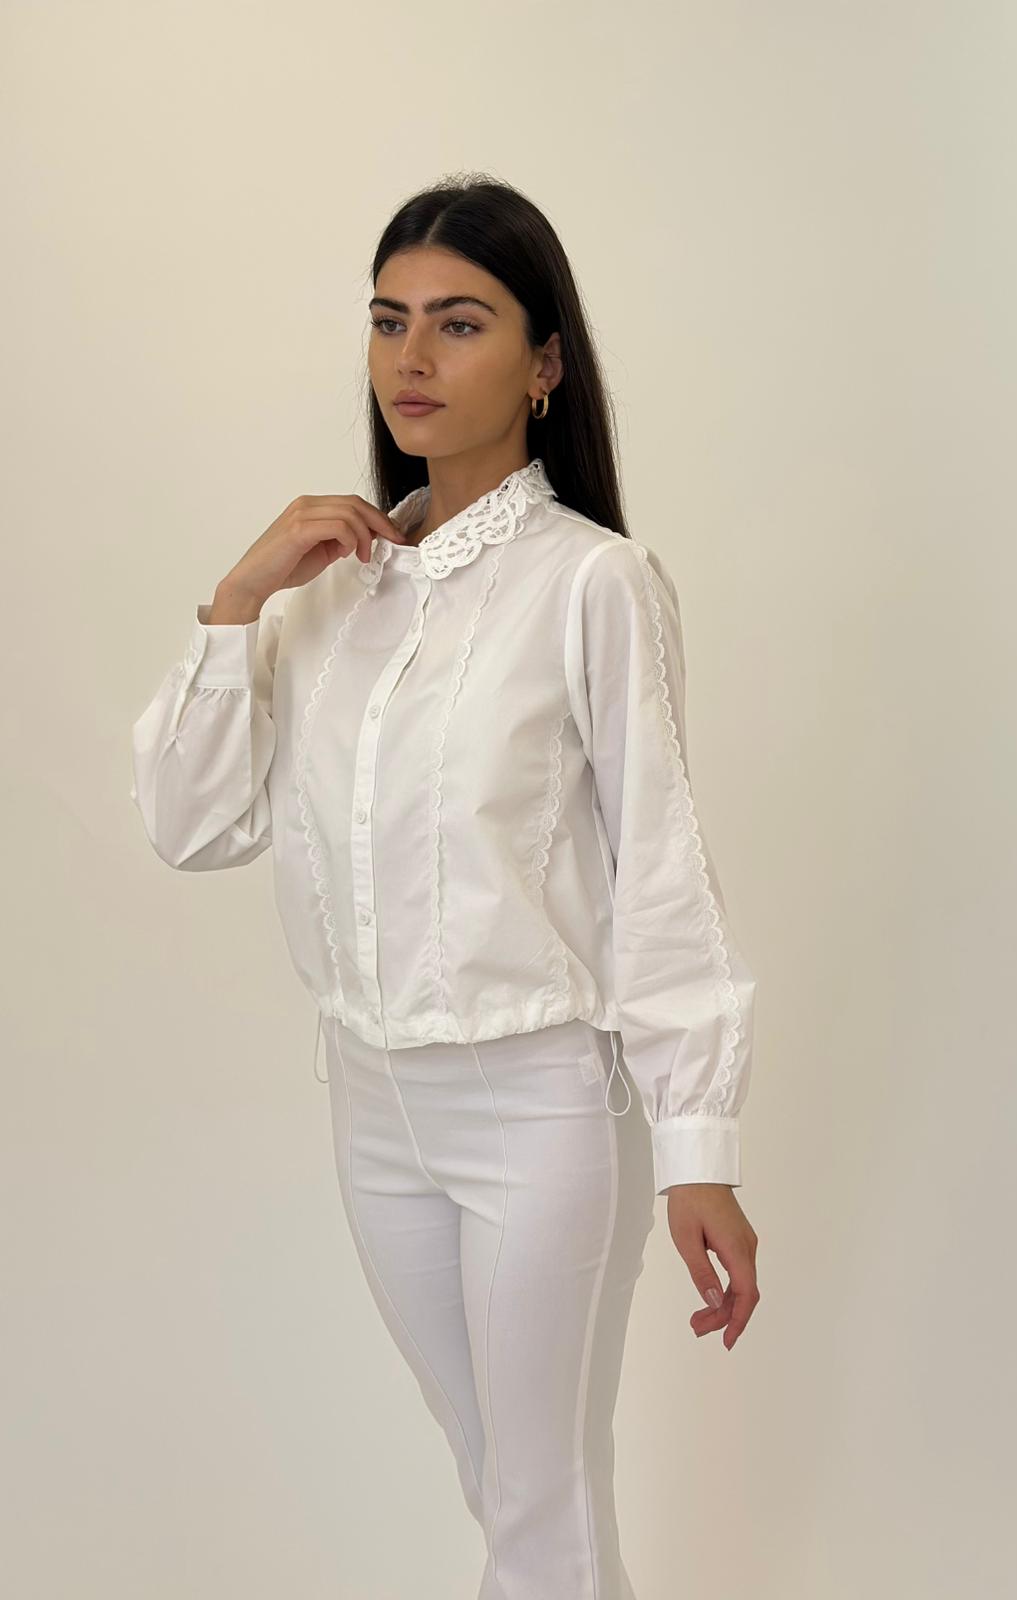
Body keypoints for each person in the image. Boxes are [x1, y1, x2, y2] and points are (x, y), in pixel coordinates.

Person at [129, 173, 760, 1600]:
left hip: (536, 1103)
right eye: (388, 320)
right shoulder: (327, 589)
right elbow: (189, 824)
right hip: (370, 1106)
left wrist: (699, 1148)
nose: (411, 356)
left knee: (539, 1500)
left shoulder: (594, 584)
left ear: (544, 365)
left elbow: (661, 870)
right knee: (504, 1485)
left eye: (460, 323)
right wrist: (237, 602)